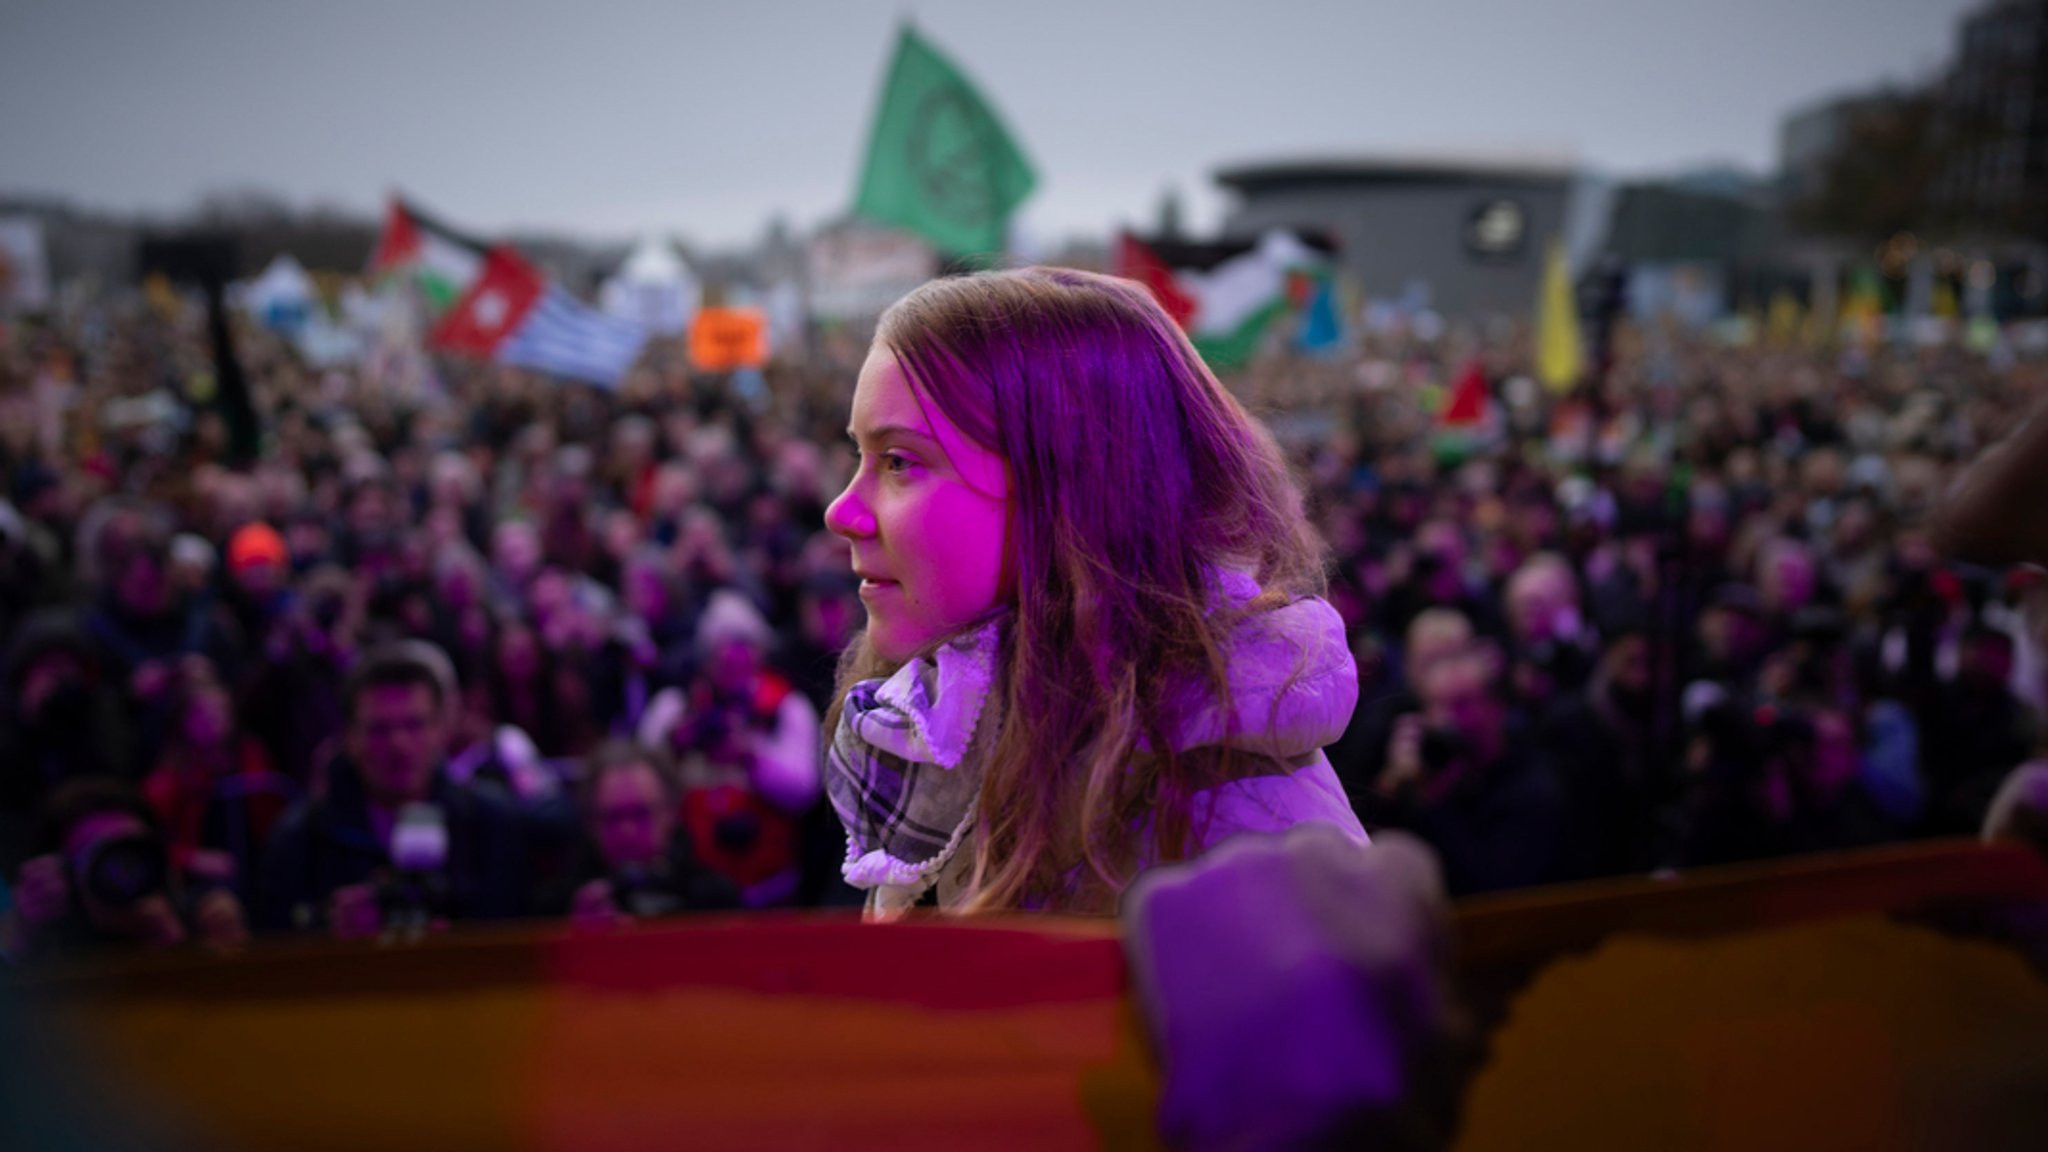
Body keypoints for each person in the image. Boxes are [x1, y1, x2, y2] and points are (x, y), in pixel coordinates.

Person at [821, 268, 1365, 917]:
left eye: (900, 461)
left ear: (1073, 491)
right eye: (860, 454)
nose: (842, 511)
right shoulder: (949, 732)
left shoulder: (1245, 833)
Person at [255, 641, 529, 938]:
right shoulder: (302, 838)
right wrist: (327, 930)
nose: (398, 745)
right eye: (379, 729)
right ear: (349, 737)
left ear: (441, 728)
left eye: (414, 725)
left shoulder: (491, 823)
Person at [2, 778, 249, 962]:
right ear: (63, 872)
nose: (121, 873)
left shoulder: (197, 915)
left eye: (132, 851)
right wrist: (19, 941)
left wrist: (180, 944)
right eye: (100, 854)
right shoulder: (49, 936)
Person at [540, 742, 739, 924]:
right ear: (591, 823)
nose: (628, 830)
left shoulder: (714, 901)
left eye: (640, 814)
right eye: (613, 817)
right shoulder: (557, 907)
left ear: (671, 812)